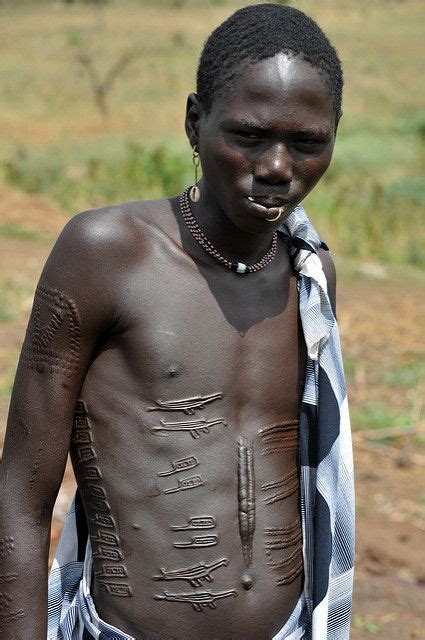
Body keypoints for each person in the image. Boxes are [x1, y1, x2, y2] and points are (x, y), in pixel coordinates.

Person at [0, 4, 355, 639]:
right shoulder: (107, 254)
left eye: (308, 144)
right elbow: (22, 499)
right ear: (195, 123)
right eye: (248, 136)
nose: (278, 167)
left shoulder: (309, 279)